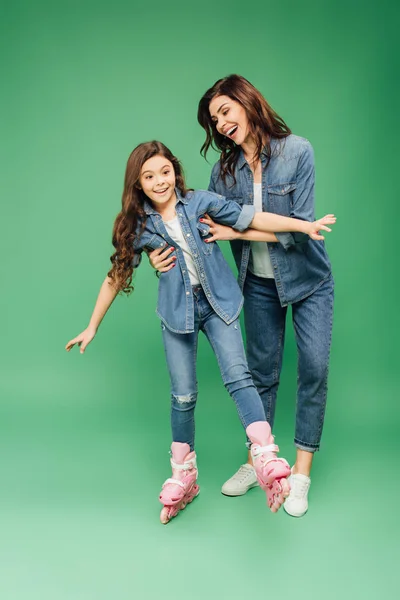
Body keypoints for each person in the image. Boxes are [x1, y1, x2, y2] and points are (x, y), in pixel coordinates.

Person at [66, 140, 335, 524]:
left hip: (219, 305)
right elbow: (116, 276)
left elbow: (252, 218)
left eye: (165, 171)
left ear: (175, 171)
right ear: (138, 185)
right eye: (149, 176)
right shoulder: (139, 225)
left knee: (240, 377)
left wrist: (302, 225)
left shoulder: (200, 202)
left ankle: (265, 454)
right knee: (183, 395)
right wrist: (92, 326)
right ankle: (184, 476)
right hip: (177, 313)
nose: (160, 181)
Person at [149, 75, 335, 518]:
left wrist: (236, 230)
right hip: (256, 282)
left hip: (308, 278)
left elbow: (299, 230)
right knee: (261, 373)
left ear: (247, 102)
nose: (221, 124)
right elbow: (200, 230)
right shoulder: (223, 171)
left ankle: (300, 474)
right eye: (215, 120)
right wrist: (159, 258)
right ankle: (258, 461)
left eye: (225, 111)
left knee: (313, 368)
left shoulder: (298, 152)